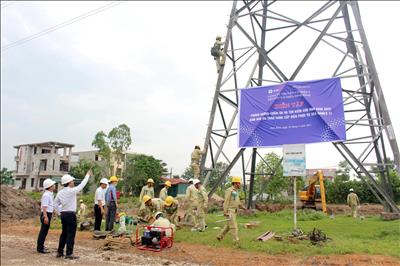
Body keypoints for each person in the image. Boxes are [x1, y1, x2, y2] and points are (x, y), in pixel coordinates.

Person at [54, 170, 92, 259]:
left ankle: (60, 252)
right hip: (71, 215)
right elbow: (82, 185)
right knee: (71, 234)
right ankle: (69, 253)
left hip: (63, 214)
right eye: (72, 181)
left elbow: (55, 204)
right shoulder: (71, 191)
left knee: (64, 233)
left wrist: (59, 213)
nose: (73, 182)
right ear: (68, 183)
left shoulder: (60, 192)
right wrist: (87, 175)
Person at [217, 176, 245, 246]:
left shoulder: (236, 191)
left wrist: (242, 207)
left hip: (234, 211)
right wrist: (225, 211)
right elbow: (226, 201)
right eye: (239, 183)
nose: (240, 184)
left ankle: (220, 236)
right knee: (234, 226)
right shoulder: (229, 190)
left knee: (229, 226)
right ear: (235, 183)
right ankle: (236, 241)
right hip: (230, 210)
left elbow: (237, 202)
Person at [36, 178, 56, 254]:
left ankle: (41, 246)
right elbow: (44, 207)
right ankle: (40, 248)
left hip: (48, 213)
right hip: (46, 214)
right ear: (50, 186)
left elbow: (50, 205)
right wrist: (46, 217)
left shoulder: (50, 194)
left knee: (45, 231)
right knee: (43, 231)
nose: (54, 185)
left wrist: (52, 213)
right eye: (53, 184)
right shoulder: (46, 195)